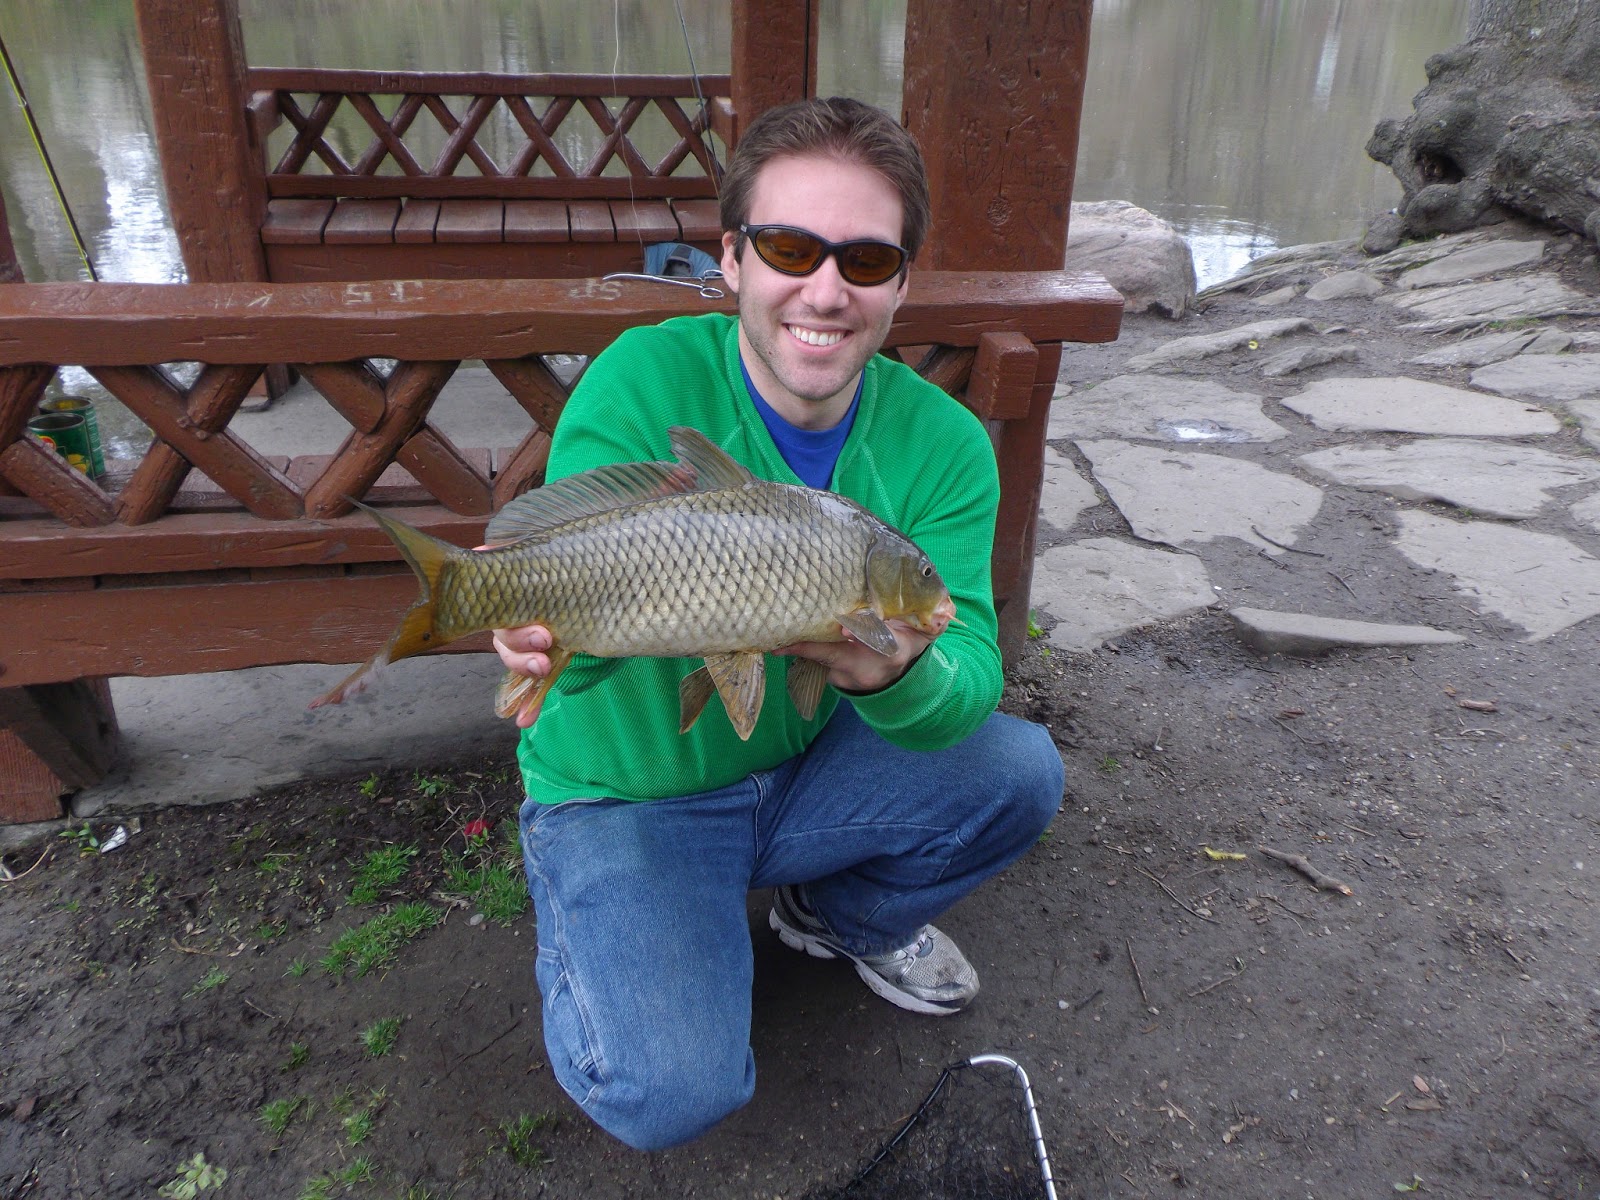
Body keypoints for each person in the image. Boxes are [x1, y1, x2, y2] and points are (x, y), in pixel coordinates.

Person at [491, 96, 1063, 1152]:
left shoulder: (942, 444)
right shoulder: (643, 379)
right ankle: (610, 918)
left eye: (866, 259)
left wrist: (880, 678)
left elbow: (970, 670)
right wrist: (538, 636)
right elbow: (569, 596)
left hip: (802, 764)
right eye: (791, 247)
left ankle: (828, 919)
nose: (826, 289)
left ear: (903, 281)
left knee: (1018, 773)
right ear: (733, 259)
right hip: (633, 789)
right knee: (668, 1095)